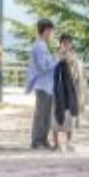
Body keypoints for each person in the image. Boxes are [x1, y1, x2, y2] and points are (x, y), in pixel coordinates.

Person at [25, 19, 57, 149]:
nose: (52, 34)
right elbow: (44, 66)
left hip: (47, 85)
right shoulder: (40, 46)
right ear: (46, 30)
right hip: (43, 85)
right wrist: (57, 60)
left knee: (46, 115)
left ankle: (43, 140)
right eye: (51, 31)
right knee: (41, 114)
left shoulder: (42, 45)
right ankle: (37, 140)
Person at [52, 34, 83, 152]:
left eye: (68, 42)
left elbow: (78, 75)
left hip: (70, 91)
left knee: (70, 117)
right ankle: (56, 143)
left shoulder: (74, 58)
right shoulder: (55, 56)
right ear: (60, 43)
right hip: (57, 90)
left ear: (71, 44)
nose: (65, 45)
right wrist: (60, 58)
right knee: (55, 116)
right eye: (63, 42)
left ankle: (69, 142)